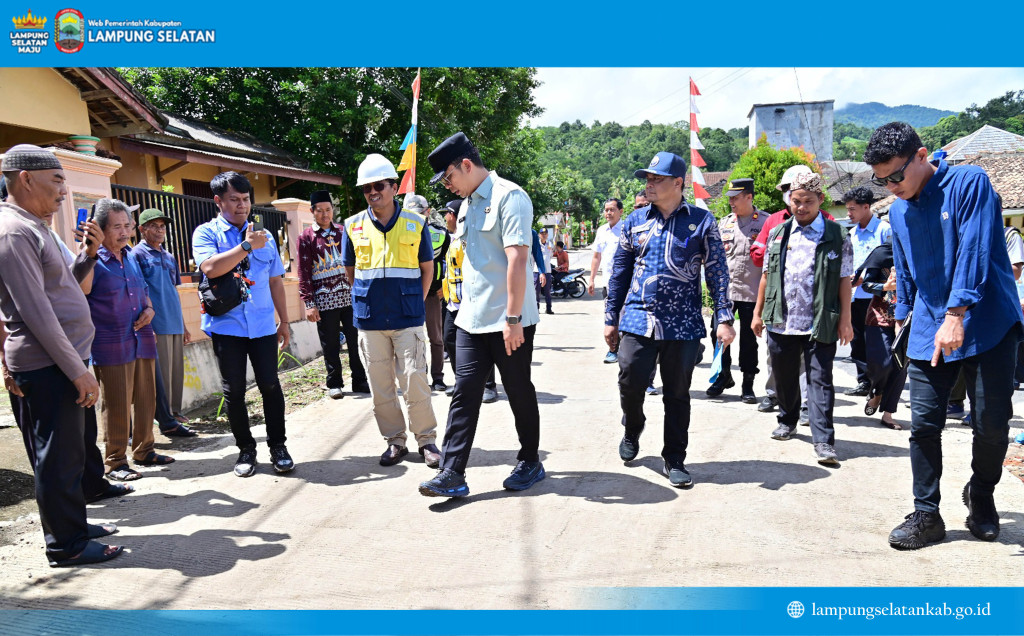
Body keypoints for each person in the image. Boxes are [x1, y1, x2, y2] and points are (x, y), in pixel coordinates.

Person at [864, 122, 1022, 549]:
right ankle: (927, 514)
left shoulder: (969, 183)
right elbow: (905, 272)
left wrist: (957, 312)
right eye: (882, 180)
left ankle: (982, 495)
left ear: (922, 155)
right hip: (929, 324)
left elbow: (974, 249)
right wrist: (902, 318)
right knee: (924, 424)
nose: (891, 187)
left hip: (987, 323)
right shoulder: (898, 212)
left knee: (991, 424)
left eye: (897, 175)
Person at [0, 144, 123, 567]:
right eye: (56, 180)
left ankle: (75, 526)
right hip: (48, 364)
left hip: (63, 361)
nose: (64, 191)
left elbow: (60, 288)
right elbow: (35, 312)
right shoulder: (13, 232)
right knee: (56, 459)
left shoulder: (33, 228)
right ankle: (66, 545)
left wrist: (88, 257)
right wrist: (77, 371)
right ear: (25, 179)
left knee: (71, 455)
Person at [420, 132, 545, 497]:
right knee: (464, 392)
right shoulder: (467, 205)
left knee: (518, 390)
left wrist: (513, 319)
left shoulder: (510, 197)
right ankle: (452, 472)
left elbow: (517, 260)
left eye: (448, 177)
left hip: (508, 320)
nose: (448, 186)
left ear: (466, 165)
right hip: (472, 319)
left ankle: (530, 460)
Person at [606, 151, 735, 488]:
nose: (649, 184)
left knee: (677, 393)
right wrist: (610, 316)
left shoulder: (702, 221)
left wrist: (724, 317)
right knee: (629, 380)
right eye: (647, 178)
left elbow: (717, 272)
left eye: (656, 179)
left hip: (683, 323)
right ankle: (633, 426)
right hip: (638, 318)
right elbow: (620, 272)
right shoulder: (635, 221)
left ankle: (675, 457)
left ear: (678, 183)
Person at [341, 154, 440, 469]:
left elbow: (427, 268)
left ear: (394, 187)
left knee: (415, 380)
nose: (373, 192)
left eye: (379, 186)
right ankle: (395, 441)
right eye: (367, 188)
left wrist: (415, 301)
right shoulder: (352, 225)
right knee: (380, 387)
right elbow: (350, 271)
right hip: (370, 320)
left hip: (407, 318)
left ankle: (426, 441)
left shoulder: (415, 223)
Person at [193, 171, 294, 477]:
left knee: (270, 385)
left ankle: (278, 447)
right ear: (218, 201)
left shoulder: (266, 236)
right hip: (227, 326)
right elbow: (211, 268)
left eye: (246, 199)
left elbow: (275, 281)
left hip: (263, 325)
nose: (242, 205)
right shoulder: (206, 233)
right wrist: (246, 247)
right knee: (234, 391)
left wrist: (284, 321)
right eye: (234, 199)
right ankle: (246, 450)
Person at [751, 172, 853, 466]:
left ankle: (824, 441)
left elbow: (845, 279)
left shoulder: (837, 235)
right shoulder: (778, 233)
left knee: (820, 381)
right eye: (796, 201)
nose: (801, 207)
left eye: (808, 201)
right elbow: (767, 275)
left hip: (820, 321)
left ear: (820, 200)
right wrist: (758, 313)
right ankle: (787, 420)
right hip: (781, 320)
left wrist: (845, 320)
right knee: (784, 378)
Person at [84, 198, 173, 481]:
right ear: (100, 229)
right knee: (117, 403)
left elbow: (144, 291)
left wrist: (150, 309)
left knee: (147, 398)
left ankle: (144, 450)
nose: (124, 232)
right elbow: (80, 290)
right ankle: (115, 461)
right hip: (111, 342)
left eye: (127, 225)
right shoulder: (92, 260)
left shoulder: (131, 256)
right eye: (117, 227)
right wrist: (88, 251)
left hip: (142, 337)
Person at [750, 165, 835, 417]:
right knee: (777, 358)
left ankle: (807, 405)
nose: (795, 198)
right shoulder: (774, 222)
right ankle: (774, 395)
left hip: (813, 312)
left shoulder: (827, 222)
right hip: (781, 309)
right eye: (789, 191)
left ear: (817, 197)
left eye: (805, 196)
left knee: (810, 365)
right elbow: (759, 258)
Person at [129, 208, 196, 437]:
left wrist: (184, 325)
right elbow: (138, 291)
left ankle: (175, 413)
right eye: (154, 226)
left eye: (162, 226)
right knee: (162, 374)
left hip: (174, 320)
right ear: (142, 229)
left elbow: (173, 290)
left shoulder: (169, 256)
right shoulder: (136, 255)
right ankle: (164, 418)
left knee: (176, 372)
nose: (160, 231)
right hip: (157, 323)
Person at [297, 190, 369, 400]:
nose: (325, 214)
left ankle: (360, 380)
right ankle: (335, 383)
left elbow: (357, 261)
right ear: (312, 211)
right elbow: (303, 272)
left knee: (356, 341)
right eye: (320, 211)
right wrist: (309, 303)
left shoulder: (343, 231)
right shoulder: (307, 237)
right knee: (330, 344)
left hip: (350, 297)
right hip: (324, 301)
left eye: (328, 210)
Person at [708, 178, 765, 403]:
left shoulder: (765, 223)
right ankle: (723, 376)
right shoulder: (725, 223)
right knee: (717, 334)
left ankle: (748, 384)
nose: (731, 202)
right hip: (726, 293)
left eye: (736, 198)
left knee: (749, 341)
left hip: (752, 292)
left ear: (749, 197)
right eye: (730, 198)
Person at [844, 187, 892, 398]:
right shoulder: (852, 234)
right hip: (854, 295)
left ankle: (880, 382)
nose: (849, 214)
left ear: (866, 207)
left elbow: (889, 263)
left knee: (876, 341)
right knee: (857, 340)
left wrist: (864, 279)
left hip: (877, 296)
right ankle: (863, 381)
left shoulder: (884, 230)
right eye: (847, 209)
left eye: (852, 209)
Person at [856, 240, 907, 430]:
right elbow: (867, 285)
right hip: (879, 317)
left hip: (907, 317)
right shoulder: (882, 253)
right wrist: (885, 287)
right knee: (883, 363)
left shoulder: (918, 252)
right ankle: (877, 392)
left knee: (900, 365)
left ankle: (888, 414)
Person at [406, 193, 451, 391]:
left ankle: (438, 378)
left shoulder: (441, 234)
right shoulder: (400, 234)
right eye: (411, 214)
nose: (417, 217)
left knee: (436, 337)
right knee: (413, 338)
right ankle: (419, 376)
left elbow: (450, 261)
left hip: (433, 293)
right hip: (409, 294)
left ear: (428, 212)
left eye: (420, 213)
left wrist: (445, 285)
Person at [589, 198, 625, 363]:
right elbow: (597, 256)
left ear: (620, 211)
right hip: (608, 283)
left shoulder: (626, 229)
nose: (608, 213)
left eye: (612, 209)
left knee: (625, 317)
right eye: (606, 210)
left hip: (626, 283)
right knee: (610, 317)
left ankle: (626, 351)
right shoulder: (602, 231)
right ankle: (613, 350)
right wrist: (591, 279)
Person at [535, 228, 554, 315]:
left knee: (547, 291)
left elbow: (550, 256)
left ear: (547, 235)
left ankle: (548, 308)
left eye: (545, 233)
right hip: (537, 271)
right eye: (542, 233)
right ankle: (536, 309)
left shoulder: (549, 244)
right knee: (536, 291)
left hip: (547, 271)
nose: (544, 235)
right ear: (539, 235)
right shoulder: (536, 244)